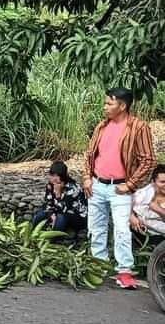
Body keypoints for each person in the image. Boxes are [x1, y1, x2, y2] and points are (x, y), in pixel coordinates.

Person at [82, 87, 155, 289]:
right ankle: (99, 266)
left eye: (109, 103)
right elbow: (89, 154)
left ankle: (124, 271)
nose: (104, 107)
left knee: (122, 230)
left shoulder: (138, 127)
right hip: (97, 184)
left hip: (119, 188)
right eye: (105, 103)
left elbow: (148, 160)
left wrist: (130, 185)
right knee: (96, 228)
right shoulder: (102, 126)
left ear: (122, 106)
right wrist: (87, 178)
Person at [31, 161, 88, 235]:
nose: (54, 178)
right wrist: (51, 214)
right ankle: (33, 234)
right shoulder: (50, 185)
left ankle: (54, 239)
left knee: (60, 217)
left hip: (77, 216)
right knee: (40, 214)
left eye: (57, 176)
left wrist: (58, 194)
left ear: (63, 176)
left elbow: (64, 209)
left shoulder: (73, 188)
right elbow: (48, 203)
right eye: (52, 175)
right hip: (59, 212)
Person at [131, 165, 165, 236]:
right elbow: (124, 203)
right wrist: (131, 217)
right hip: (135, 228)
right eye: (162, 182)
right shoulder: (145, 193)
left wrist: (158, 209)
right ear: (153, 182)